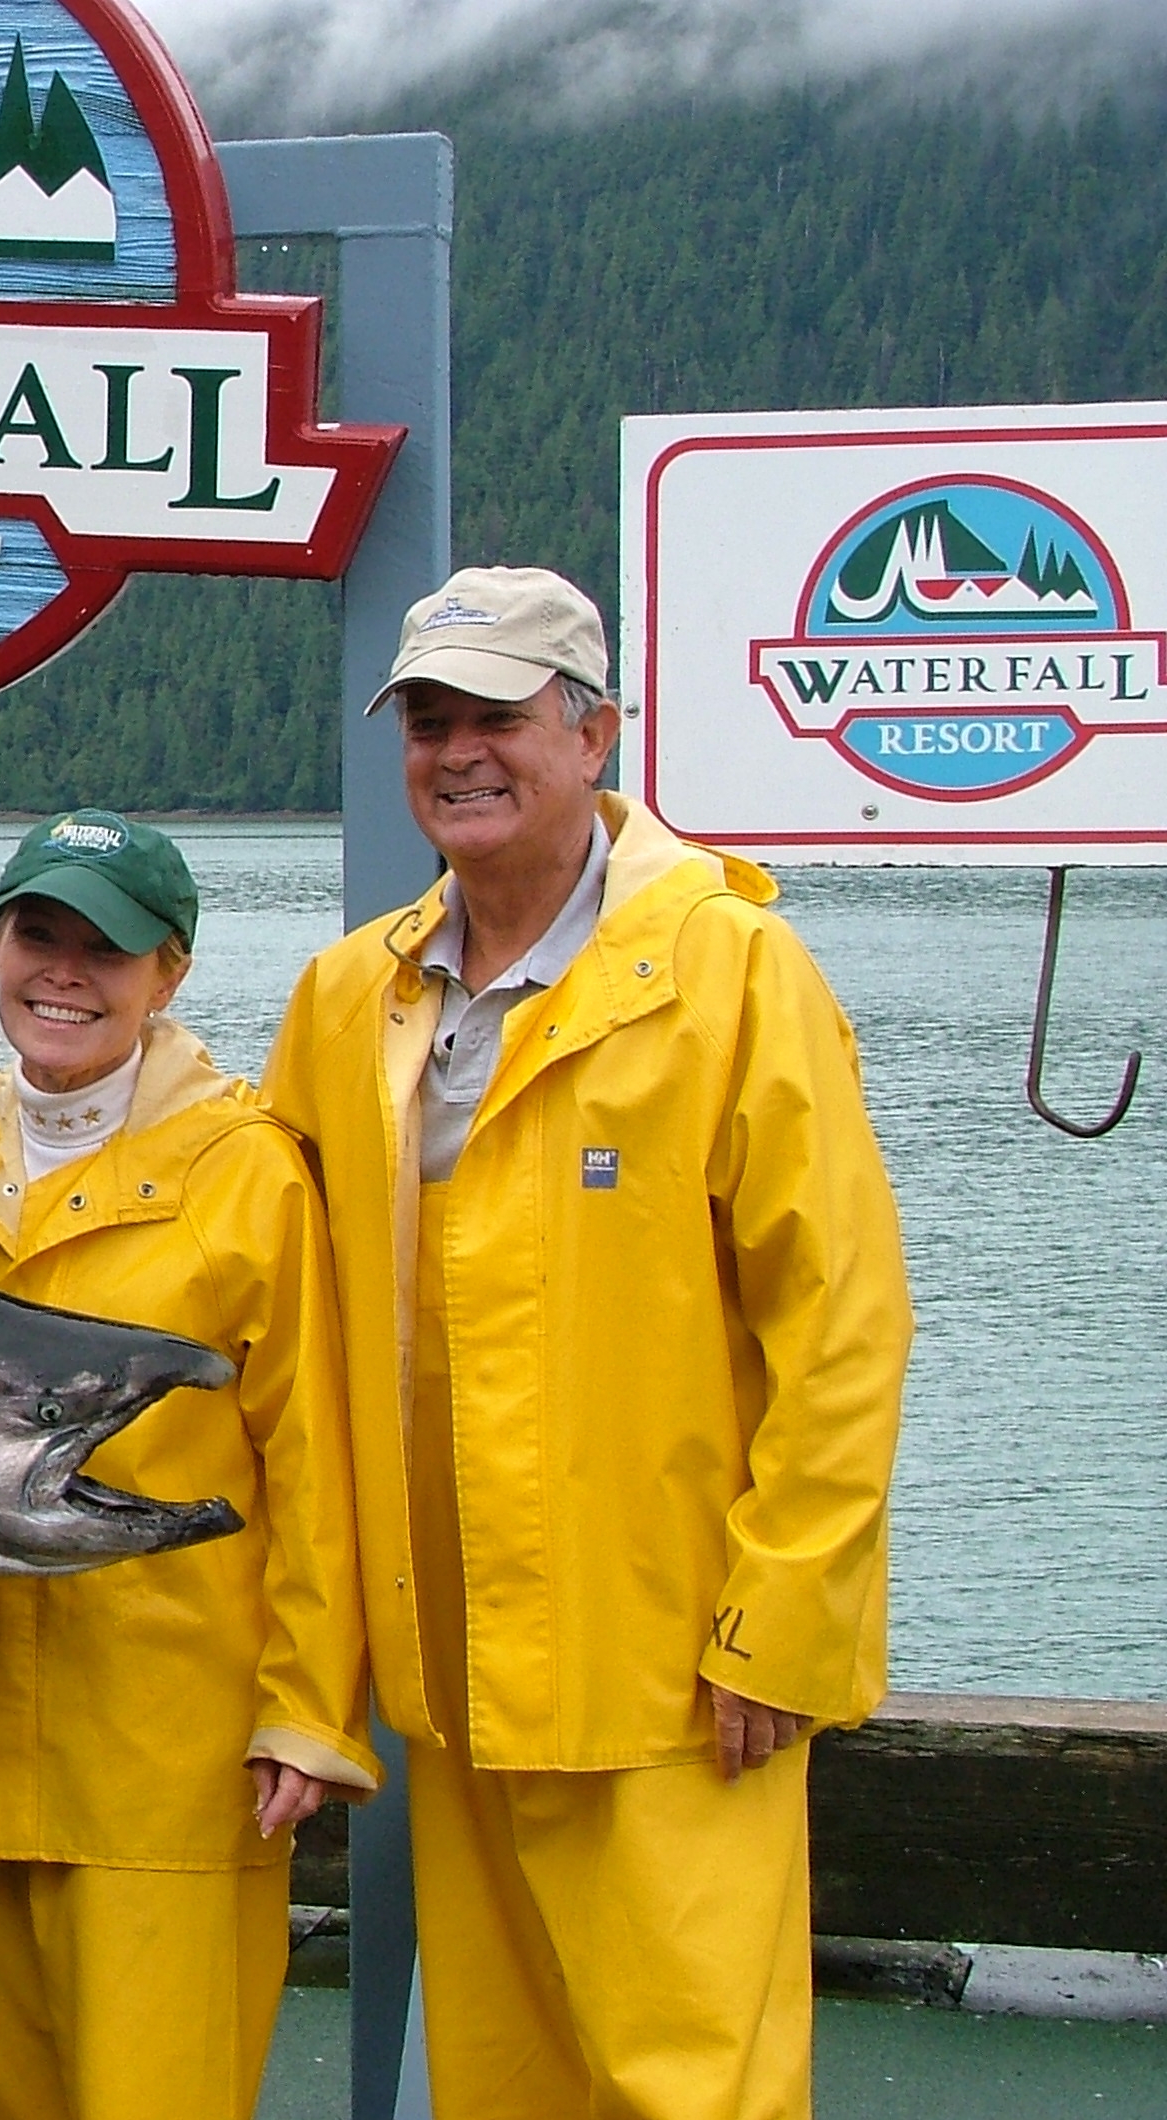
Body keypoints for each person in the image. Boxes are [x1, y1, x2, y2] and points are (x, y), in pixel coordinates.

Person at [261, 567, 911, 2118]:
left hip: (672, 1676)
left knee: (696, 2090)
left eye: (498, 715)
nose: (459, 753)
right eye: (429, 721)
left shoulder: (733, 970)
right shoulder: (350, 995)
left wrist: (783, 1622)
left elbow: (841, 1320)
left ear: (594, 733)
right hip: (451, 1680)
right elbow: (251, 1258)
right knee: (503, 2085)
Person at [0, 810, 375, 2120]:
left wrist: (308, 1708)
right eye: (37, 935)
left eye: (106, 950)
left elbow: (318, 1461)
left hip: (170, 1771)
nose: (64, 974)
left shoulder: (249, 1173)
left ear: (170, 972)